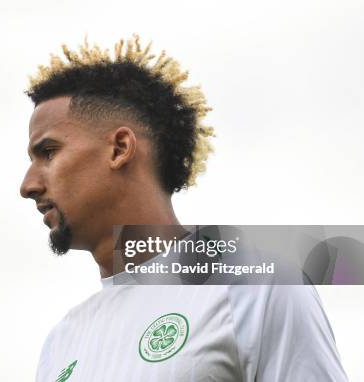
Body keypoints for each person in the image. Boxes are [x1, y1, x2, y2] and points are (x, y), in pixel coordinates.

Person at [19, 35, 347, 381]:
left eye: (49, 153)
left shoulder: (258, 286)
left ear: (119, 149)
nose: (28, 185)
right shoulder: (61, 344)